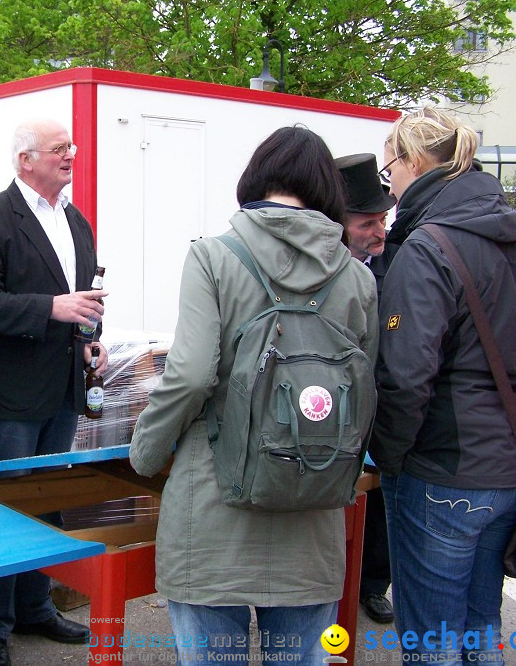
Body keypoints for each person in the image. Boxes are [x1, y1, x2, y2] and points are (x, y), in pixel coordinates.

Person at [129, 127, 378, 665]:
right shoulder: (357, 279)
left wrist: (146, 452)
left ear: (255, 180)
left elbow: (192, 375)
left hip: (213, 503)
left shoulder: (214, 257)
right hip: (312, 510)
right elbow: (366, 392)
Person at [370, 107, 516, 663]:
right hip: (512, 464)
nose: (390, 185)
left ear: (413, 161)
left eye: (388, 171)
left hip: (441, 471)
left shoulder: (429, 246)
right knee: (480, 628)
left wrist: (390, 456)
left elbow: (405, 377)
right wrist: (511, 404)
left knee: (432, 643)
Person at [0, 119, 108, 666]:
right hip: (12, 395)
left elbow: (86, 299)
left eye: (71, 147)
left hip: (61, 389)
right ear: (24, 160)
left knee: (46, 502)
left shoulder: (76, 221)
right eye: (59, 148)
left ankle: (35, 604)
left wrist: (90, 341)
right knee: (3, 507)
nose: (71, 155)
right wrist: (51, 308)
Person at [335, 152, 397, 626]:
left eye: (383, 220)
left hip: (381, 404)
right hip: (325, 411)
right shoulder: (319, 266)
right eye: (367, 223)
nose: (379, 230)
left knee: (375, 510)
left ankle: (372, 583)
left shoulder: (395, 262)